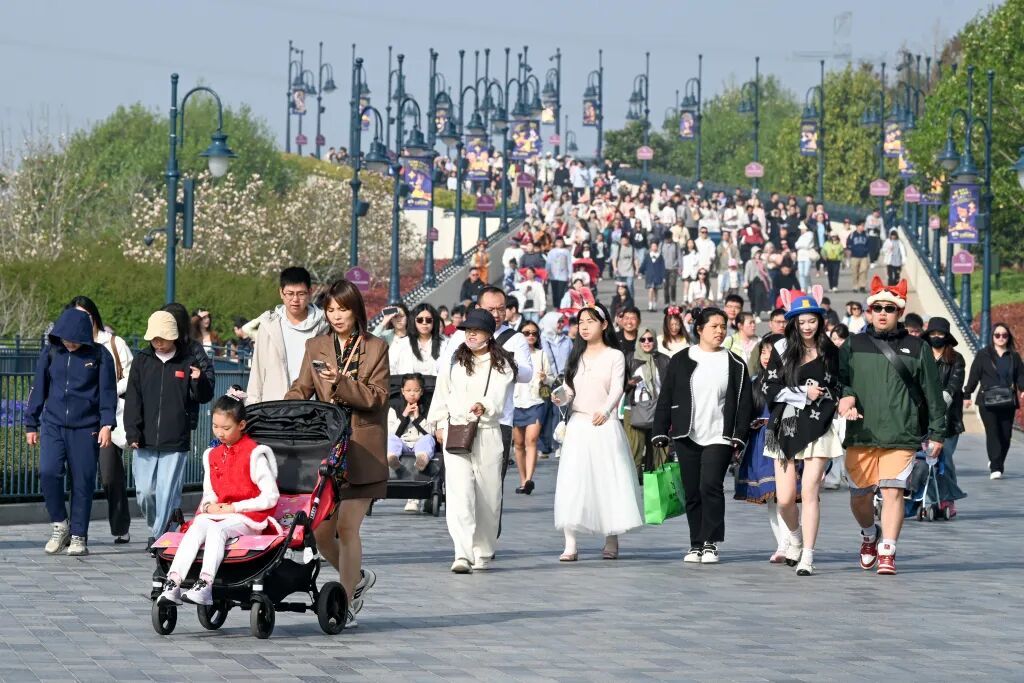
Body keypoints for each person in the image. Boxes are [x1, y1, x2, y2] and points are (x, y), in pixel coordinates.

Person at [285, 279, 389, 627]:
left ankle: (344, 603)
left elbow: (377, 398)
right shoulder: (316, 345)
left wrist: (341, 382)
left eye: (342, 309)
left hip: (363, 451)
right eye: (330, 310)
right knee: (321, 533)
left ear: (356, 310)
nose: (336, 316)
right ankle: (356, 579)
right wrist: (283, 409)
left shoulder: (376, 348)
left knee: (347, 527)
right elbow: (302, 388)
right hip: (327, 452)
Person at [837, 277, 946, 575]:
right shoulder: (853, 344)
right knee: (860, 497)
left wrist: (938, 432)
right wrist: (846, 396)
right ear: (869, 311)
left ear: (899, 312)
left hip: (901, 432)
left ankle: (888, 549)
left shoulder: (917, 347)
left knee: (892, 492)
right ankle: (869, 534)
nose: (883, 313)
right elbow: (839, 380)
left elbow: (933, 393)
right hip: (861, 433)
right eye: (877, 308)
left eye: (889, 308)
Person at [156, 388, 280, 606]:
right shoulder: (212, 454)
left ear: (242, 425)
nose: (219, 433)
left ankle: (205, 583)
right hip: (221, 514)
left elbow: (271, 497)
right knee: (197, 526)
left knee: (216, 530)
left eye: (226, 428)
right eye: (215, 426)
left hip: (248, 517)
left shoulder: (254, 454)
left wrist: (234, 508)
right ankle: (173, 581)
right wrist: (208, 506)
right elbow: (210, 491)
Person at [652, 308, 754, 564]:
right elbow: (666, 397)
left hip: (720, 435)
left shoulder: (735, 363)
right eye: (714, 326)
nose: (720, 331)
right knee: (692, 490)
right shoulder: (681, 359)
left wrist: (739, 435)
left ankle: (710, 541)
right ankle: (695, 543)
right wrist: (660, 431)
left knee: (710, 485)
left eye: (723, 326)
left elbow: (744, 403)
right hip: (687, 433)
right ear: (699, 329)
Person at [427, 309, 517, 573]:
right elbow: (441, 394)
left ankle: (483, 551)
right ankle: (462, 552)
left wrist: (483, 405)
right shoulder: (455, 361)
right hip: (456, 431)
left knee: (488, 495)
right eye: (468, 330)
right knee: (459, 493)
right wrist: (439, 423)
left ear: (489, 334)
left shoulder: (501, 364)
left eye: (477, 330)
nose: (471, 335)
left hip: (487, 432)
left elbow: (499, 396)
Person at [552, 304, 643, 561]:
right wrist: (559, 396)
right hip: (579, 424)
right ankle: (570, 543)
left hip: (604, 424)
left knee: (607, 480)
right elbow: (569, 389)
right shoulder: (576, 356)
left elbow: (617, 388)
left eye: (590, 321)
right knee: (573, 481)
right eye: (581, 322)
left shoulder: (615, 355)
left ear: (604, 325)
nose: (584, 327)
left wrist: (605, 409)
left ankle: (611, 538)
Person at [438, 287, 534, 529]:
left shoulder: (515, 338)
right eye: (491, 309)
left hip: (499, 422)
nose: (498, 314)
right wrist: (439, 420)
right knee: (461, 485)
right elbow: (444, 372)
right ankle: (464, 537)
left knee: (490, 488)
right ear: (478, 308)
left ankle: (487, 537)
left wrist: (500, 357)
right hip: (460, 421)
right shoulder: (461, 336)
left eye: (502, 308)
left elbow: (526, 374)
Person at [763, 289, 843, 576]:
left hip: (819, 424)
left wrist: (843, 402)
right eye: (802, 321)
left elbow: (839, 385)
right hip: (784, 423)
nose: (807, 326)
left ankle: (808, 555)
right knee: (785, 499)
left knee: (810, 491)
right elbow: (769, 388)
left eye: (812, 320)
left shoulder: (830, 350)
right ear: (793, 323)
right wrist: (802, 393)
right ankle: (794, 537)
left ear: (820, 321)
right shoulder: (781, 348)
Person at [25, 308, 116, 556]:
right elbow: (38, 388)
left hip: (86, 428)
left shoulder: (100, 356)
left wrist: (106, 424)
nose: (70, 343)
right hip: (53, 424)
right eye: (66, 339)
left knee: (83, 481)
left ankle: (78, 535)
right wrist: (31, 423)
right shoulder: (51, 352)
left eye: (75, 340)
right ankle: (60, 525)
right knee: (48, 472)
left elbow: (107, 393)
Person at [125, 311, 214, 551]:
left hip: (175, 438)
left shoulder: (188, 361)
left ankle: (159, 536)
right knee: (145, 492)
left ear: (174, 336)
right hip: (143, 438)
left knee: (166, 492)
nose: (158, 343)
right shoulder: (142, 360)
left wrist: (199, 380)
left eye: (162, 338)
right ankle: (161, 528)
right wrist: (132, 432)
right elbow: (133, 398)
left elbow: (204, 396)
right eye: (154, 338)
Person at [69, 296, 134, 545]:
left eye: (86, 314)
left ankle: (120, 526)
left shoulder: (114, 343)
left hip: (109, 417)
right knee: (79, 476)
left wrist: (109, 391)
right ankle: (76, 531)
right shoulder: (69, 343)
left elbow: (132, 375)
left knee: (110, 475)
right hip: (80, 419)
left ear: (94, 315)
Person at [734, 333, 793, 563]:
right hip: (761, 441)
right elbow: (745, 413)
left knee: (785, 497)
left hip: (785, 436)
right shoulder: (755, 382)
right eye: (764, 351)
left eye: (773, 351)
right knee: (771, 496)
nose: (767, 356)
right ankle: (783, 543)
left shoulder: (792, 380)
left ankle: (792, 540)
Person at [246, 267, 329, 404]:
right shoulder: (269, 326)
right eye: (290, 293)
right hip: (274, 406)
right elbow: (257, 372)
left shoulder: (323, 326)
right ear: (281, 293)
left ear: (310, 292)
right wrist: (251, 406)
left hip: (311, 407)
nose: (295, 299)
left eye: (301, 294)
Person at [964, 322, 1024, 479]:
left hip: (1008, 401)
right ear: (992, 337)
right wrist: (967, 395)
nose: (1001, 338)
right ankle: (996, 467)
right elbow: (974, 375)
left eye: (1004, 335)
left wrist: (1023, 389)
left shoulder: (1014, 356)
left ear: (1008, 337)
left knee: (1006, 436)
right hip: (987, 401)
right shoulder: (983, 355)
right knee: (993, 433)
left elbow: (1020, 375)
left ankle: (996, 460)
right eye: (997, 335)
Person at [924, 318, 967, 512]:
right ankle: (931, 498)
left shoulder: (956, 359)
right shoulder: (922, 355)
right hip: (924, 418)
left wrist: (938, 404)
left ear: (946, 336)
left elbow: (954, 385)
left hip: (949, 420)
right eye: (932, 333)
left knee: (945, 459)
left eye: (940, 333)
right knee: (926, 461)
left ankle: (949, 498)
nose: (936, 337)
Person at [624, 328, 671, 479]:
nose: (646, 342)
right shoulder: (630, 358)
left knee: (660, 450)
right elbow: (619, 386)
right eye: (642, 339)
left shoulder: (664, 360)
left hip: (658, 410)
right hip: (635, 410)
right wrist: (629, 384)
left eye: (650, 339)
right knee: (635, 451)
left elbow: (670, 386)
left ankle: (659, 484)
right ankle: (633, 484)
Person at [387, 373, 437, 512]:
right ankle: (392, 457)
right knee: (391, 440)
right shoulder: (394, 406)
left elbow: (431, 432)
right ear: (402, 391)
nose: (412, 394)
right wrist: (404, 415)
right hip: (402, 442)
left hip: (420, 441)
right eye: (408, 390)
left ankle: (422, 458)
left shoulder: (428, 406)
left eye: (416, 390)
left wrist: (418, 418)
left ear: (422, 391)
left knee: (428, 439)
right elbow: (392, 432)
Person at [511, 321, 551, 494]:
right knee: (519, 443)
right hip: (515, 402)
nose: (531, 336)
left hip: (536, 401)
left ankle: (529, 479)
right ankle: (522, 479)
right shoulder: (512, 355)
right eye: (526, 333)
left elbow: (551, 378)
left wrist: (545, 378)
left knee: (531, 440)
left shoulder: (541, 355)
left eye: (534, 333)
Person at [390, 303, 443, 376]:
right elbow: (391, 370)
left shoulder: (445, 344)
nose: (424, 323)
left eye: (428, 320)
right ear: (413, 321)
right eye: (420, 320)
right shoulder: (400, 344)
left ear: (434, 321)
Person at [546, 236, 573, 309]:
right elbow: (548, 263)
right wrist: (546, 273)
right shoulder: (552, 251)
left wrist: (570, 275)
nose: (559, 243)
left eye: (561, 242)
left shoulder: (566, 251)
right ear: (555, 243)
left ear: (563, 242)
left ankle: (560, 306)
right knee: (554, 292)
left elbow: (569, 263)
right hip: (553, 275)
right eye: (558, 242)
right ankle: (555, 306)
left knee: (561, 292)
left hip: (563, 275)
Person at [639, 241, 666, 311]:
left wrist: (663, 276)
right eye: (653, 246)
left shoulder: (660, 256)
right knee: (650, 289)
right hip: (650, 276)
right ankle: (650, 305)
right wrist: (640, 271)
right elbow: (644, 264)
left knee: (656, 291)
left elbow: (663, 267)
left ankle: (655, 305)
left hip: (658, 276)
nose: (654, 247)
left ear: (657, 247)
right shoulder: (648, 256)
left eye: (655, 246)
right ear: (650, 247)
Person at [847, 223, 871, 292]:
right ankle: (855, 286)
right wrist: (849, 254)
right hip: (854, 256)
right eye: (861, 226)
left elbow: (869, 244)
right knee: (855, 272)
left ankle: (862, 286)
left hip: (864, 256)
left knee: (863, 271)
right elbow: (848, 244)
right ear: (857, 226)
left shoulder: (866, 234)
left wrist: (867, 251)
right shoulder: (852, 235)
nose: (862, 227)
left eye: (863, 226)